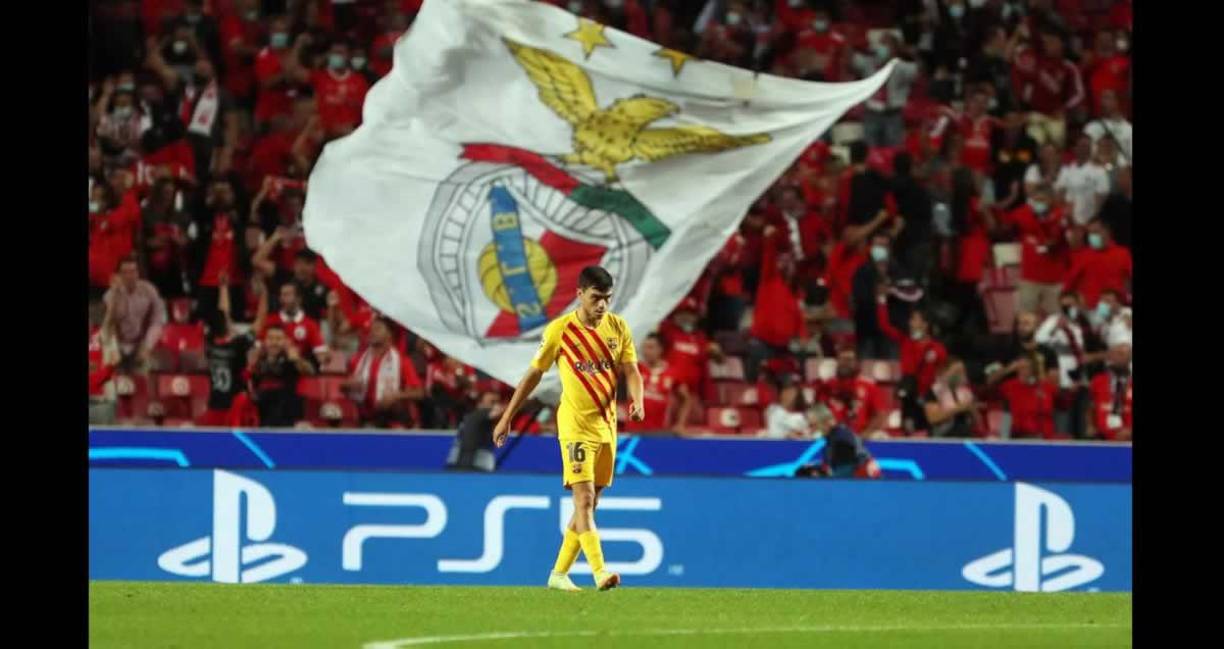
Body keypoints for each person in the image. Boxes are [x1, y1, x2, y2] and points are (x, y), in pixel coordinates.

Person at [492, 266, 643, 593]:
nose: (602, 305)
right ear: (580, 295)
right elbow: (533, 375)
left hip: (607, 428)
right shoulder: (560, 330)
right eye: (596, 298)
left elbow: (632, 371)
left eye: (607, 298)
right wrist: (507, 417)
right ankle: (600, 572)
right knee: (584, 499)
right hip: (575, 426)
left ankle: (558, 575)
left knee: (590, 503)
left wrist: (637, 400)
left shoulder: (618, 328)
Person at [875, 289, 946, 435]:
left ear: (925, 324)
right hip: (909, 397)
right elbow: (885, 326)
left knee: (928, 433)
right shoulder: (905, 341)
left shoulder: (937, 349)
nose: (910, 322)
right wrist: (881, 301)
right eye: (911, 319)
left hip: (928, 399)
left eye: (914, 319)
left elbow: (943, 373)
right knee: (908, 431)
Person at [999, 183, 1067, 317]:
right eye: (1036, 200)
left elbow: (1058, 240)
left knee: (1056, 320)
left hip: (1054, 280)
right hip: (1029, 278)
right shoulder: (1023, 213)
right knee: (1026, 318)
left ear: (1051, 200)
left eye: (1042, 200)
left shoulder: (1060, 215)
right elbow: (1004, 223)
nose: (1038, 203)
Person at [344, 316, 425, 428]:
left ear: (389, 334)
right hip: (364, 418)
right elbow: (344, 388)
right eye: (371, 329)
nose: (372, 332)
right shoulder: (358, 360)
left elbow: (419, 393)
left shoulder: (402, 361)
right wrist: (346, 385)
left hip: (392, 419)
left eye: (377, 329)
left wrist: (396, 396)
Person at [198, 275, 256, 427]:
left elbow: (223, 313)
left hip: (214, 404)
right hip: (233, 405)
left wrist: (223, 288)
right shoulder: (238, 344)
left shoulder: (209, 344)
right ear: (226, 325)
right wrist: (265, 298)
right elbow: (258, 325)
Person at [102, 256, 168, 373]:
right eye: (125, 272)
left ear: (138, 273)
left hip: (141, 343)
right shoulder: (110, 295)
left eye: (133, 271)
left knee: (142, 381)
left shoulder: (149, 290)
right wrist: (115, 295)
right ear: (119, 275)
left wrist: (147, 346)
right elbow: (107, 325)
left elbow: (158, 320)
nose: (130, 276)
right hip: (117, 345)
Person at [248, 324, 316, 427]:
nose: (274, 343)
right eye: (270, 338)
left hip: (286, 417)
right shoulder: (259, 361)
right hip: (263, 416)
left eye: (278, 339)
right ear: (265, 341)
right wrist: (251, 365)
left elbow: (310, 371)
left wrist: (296, 359)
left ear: (285, 341)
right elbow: (250, 384)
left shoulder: (291, 359)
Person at [625, 334, 692, 434]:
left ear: (660, 349)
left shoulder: (673, 373)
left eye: (651, 347)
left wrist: (680, 424)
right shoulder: (635, 368)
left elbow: (686, 399)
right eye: (644, 347)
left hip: (660, 431)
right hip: (633, 429)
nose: (646, 351)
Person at [818, 346, 889, 438]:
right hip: (832, 434)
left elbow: (880, 414)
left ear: (856, 363)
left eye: (849, 360)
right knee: (816, 435)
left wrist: (866, 433)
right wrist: (827, 430)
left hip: (862, 435)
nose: (845, 363)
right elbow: (818, 411)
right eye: (842, 359)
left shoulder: (869, 386)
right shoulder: (827, 385)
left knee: (879, 436)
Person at [1063, 220, 1132, 309]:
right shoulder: (1083, 255)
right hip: (1090, 310)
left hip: (1116, 308)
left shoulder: (1123, 254)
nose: (1092, 236)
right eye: (1090, 233)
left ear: (1107, 232)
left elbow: (1129, 280)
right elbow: (1069, 284)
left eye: (1095, 232)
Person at [987, 356, 1058, 439]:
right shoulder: (1009, 386)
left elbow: (1062, 402)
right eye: (1021, 367)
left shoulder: (1044, 387)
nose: (1024, 370)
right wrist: (1008, 369)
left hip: (1041, 435)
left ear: (1033, 369)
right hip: (1015, 434)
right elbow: (990, 384)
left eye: (1027, 367)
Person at [1055, 134, 1110, 227]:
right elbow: (1059, 195)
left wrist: (1092, 221)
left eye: (1087, 146)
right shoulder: (1066, 170)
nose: (1085, 149)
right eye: (1082, 146)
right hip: (1067, 221)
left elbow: (1101, 199)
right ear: (1075, 148)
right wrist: (1066, 215)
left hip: (1088, 222)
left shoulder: (1099, 171)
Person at [922, 356, 981, 438]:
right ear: (944, 372)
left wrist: (972, 409)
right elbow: (933, 418)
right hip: (943, 435)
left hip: (965, 435)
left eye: (962, 371)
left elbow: (977, 421)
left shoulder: (967, 392)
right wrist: (958, 409)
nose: (960, 375)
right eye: (957, 372)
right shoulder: (934, 391)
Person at [1088, 343, 1132, 441]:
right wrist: (1090, 426)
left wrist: (1130, 431)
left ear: (1129, 358)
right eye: (1116, 353)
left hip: (1128, 439)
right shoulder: (1098, 381)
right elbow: (1091, 407)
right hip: (1102, 438)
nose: (1118, 357)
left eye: (1123, 354)